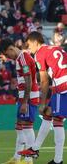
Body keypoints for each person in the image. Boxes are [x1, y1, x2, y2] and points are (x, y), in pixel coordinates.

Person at [19, 32, 67, 164]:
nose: (29, 48)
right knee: (48, 114)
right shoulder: (56, 48)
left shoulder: (40, 53)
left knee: (57, 119)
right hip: (61, 84)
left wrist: (42, 102)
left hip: (63, 85)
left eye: (29, 45)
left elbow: (44, 80)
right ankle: (35, 148)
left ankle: (58, 160)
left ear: (35, 42)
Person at [0, 39, 40, 164]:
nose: (7, 57)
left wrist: (25, 101)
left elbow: (29, 80)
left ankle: (28, 160)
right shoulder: (20, 58)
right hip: (23, 95)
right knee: (19, 126)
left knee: (27, 127)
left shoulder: (23, 58)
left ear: (10, 49)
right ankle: (17, 158)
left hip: (28, 96)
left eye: (6, 54)